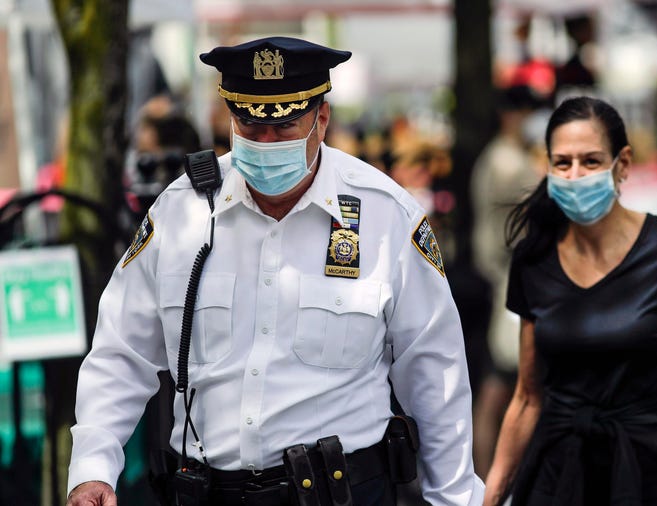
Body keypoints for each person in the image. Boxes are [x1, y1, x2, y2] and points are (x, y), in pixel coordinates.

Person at [65, 36, 484, 506]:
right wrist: (92, 468)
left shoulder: (384, 216)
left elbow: (435, 376)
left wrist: (453, 497)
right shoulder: (181, 213)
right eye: (249, 125)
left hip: (341, 492)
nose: (265, 143)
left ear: (321, 120)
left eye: (284, 126)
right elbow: (120, 352)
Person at [483, 96, 657, 505]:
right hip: (561, 476)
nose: (575, 175)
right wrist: (492, 497)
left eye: (590, 161)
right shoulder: (534, 260)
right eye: (562, 163)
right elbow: (528, 397)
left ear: (622, 164)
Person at [469, 85, 543, 478]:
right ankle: (487, 480)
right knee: (500, 387)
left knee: (500, 388)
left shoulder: (502, 157)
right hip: (503, 286)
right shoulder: (507, 162)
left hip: (499, 283)